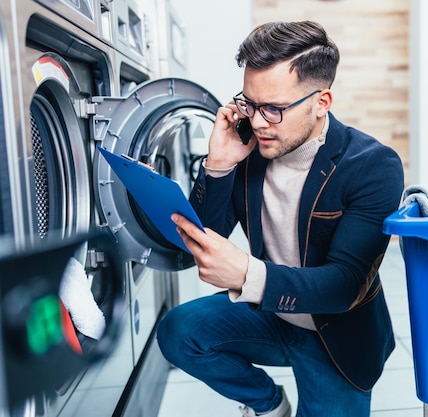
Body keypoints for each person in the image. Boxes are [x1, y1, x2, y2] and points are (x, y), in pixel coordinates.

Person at [156, 20, 404, 417]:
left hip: (335, 334)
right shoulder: (250, 147)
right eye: (249, 103)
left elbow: (343, 285)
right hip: (271, 313)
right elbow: (203, 239)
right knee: (178, 332)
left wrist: (245, 274)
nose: (256, 121)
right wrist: (218, 166)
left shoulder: (374, 166)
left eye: (273, 109)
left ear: (321, 102)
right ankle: (270, 405)